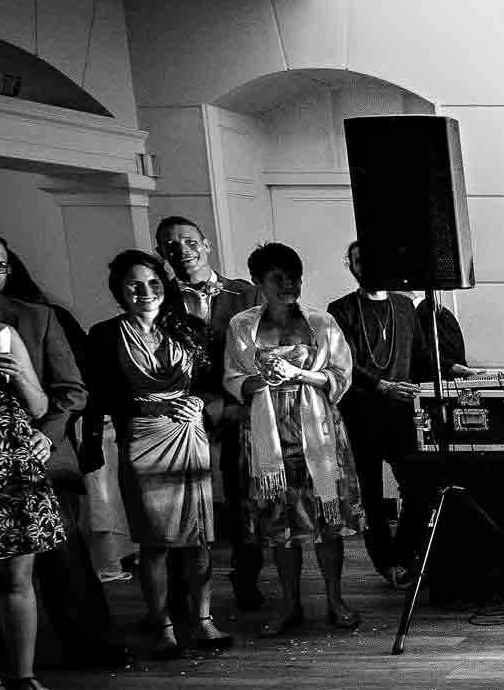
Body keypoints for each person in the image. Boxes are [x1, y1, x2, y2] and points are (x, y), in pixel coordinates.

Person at [0, 232, 128, 667]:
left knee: (61, 556)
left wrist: (47, 435)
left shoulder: (36, 316)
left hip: (38, 454)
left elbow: (71, 390)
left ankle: (91, 646)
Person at [80, 251, 231, 659]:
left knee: (199, 537)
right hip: (142, 438)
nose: (145, 292)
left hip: (188, 433)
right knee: (155, 541)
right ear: (119, 291)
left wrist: (199, 403)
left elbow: (215, 383)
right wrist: (147, 407)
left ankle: (203, 619)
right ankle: (162, 624)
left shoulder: (190, 328)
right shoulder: (105, 335)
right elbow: (98, 395)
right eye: (134, 285)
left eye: (153, 283)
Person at [222, 242, 365, 635]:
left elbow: (340, 375)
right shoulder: (242, 326)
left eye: (294, 277)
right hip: (267, 430)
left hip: (316, 427)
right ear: (259, 282)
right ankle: (289, 604)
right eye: (278, 278)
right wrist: (262, 377)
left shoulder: (321, 322)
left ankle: (336, 600)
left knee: (326, 518)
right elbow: (234, 379)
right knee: (280, 523)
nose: (288, 284)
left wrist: (298, 374)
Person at [158, 216, 265, 611]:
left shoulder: (246, 294)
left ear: (205, 244)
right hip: (182, 414)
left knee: (244, 500)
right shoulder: (159, 296)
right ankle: (180, 595)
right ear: (161, 254)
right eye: (170, 245)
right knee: (179, 502)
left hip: (240, 409)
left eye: (188, 241)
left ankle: (246, 581)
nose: (181, 250)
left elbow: (261, 352)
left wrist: (235, 400)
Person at [328, 242, 429, 587]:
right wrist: (383, 386)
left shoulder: (404, 305)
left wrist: (462, 371)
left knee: (419, 487)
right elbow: (344, 364)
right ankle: (388, 564)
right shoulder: (340, 310)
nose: (367, 267)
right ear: (350, 266)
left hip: (403, 415)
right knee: (370, 495)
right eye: (359, 261)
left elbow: (421, 356)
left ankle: (404, 555)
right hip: (360, 417)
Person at [0, 306, 67, 690]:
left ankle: (24, 672)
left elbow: (38, 406)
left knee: (18, 577)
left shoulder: (4, 333)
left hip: (14, 467)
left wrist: (15, 373)